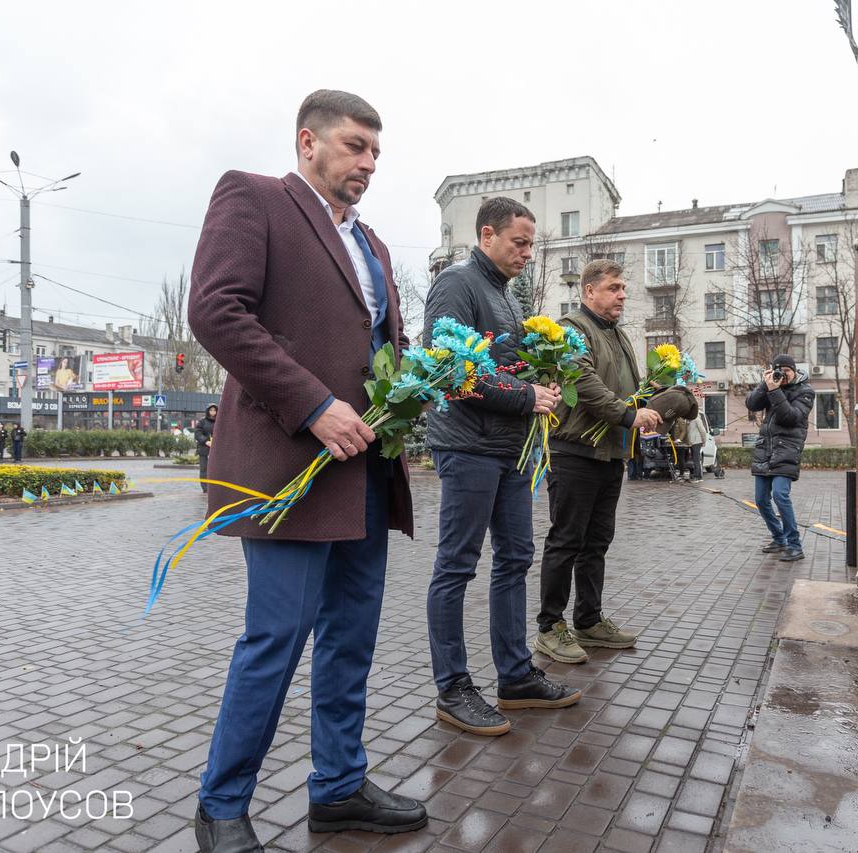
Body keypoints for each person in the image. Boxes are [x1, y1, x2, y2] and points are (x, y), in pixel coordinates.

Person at [188, 89, 426, 853]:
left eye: (376, 153)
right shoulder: (252, 198)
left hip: (366, 467)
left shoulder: (376, 245)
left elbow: (380, 346)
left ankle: (338, 786)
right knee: (277, 635)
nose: (368, 163)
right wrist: (313, 403)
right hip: (290, 462)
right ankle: (221, 804)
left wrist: (417, 385)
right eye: (356, 146)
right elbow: (216, 311)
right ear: (307, 142)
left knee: (351, 635)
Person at [422, 196, 581, 737]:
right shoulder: (458, 284)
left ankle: (514, 677)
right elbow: (447, 370)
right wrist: (524, 396)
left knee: (515, 557)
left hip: (510, 449)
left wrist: (542, 385)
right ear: (486, 234)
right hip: (468, 447)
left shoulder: (508, 296)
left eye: (532, 244)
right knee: (457, 566)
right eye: (520, 242)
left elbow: (509, 370)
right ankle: (453, 688)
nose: (527, 253)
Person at [535, 259, 663, 664]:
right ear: (589, 291)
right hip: (574, 453)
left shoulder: (620, 335)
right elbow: (584, 384)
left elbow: (629, 388)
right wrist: (629, 415)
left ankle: (588, 620)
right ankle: (549, 626)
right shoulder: (573, 330)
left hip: (609, 453)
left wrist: (655, 399)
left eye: (623, 288)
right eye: (614, 288)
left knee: (596, 543)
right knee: (565, 541)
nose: (622, 294)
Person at [745, 354, 815, 562]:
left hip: (787, 451)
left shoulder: (806, 391)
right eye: (779, 371)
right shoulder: (771, 385)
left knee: (780, 496)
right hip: (765, 450)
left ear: (794, 371)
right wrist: (764, 385)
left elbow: (790, 417)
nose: (782, 375)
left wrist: (775, 391)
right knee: (760, 500)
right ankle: (779, 538)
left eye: (787, 371)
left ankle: (795, 545)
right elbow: (752, 404)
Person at [194, 405, 217, 493]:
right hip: (204, 449)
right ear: (208, 411)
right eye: (211, 410)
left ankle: (215, 486)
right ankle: (205, 488)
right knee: (204, 469)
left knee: (215, 469)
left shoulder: (220, 421)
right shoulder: (202, 422)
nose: (213, 412)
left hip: (216, 450)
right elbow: (197, 433)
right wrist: (206, 441)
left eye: (214, 410)